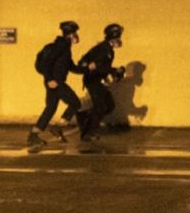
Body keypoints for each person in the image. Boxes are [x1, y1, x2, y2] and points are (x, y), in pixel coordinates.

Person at [28, 20, 85, 151]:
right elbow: (47, 62)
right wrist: (49, 79)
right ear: (69, 34)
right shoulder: (61, 46)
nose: (76, 36)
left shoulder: (65, 47)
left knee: (50, 108)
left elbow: (71, 67)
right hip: (56, 82)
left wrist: (87, 69)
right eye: (74, 33)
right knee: (75, 103)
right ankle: (57, 128)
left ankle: (33, 134)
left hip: (55, 82)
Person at [77, 23, 126, 141]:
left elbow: (101, 67)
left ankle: (83, 115)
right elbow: (97, 66)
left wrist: (112, 73)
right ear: (113, 37)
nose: (119, 39)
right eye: (118, 37)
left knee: (109, 105)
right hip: (92, 79)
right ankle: (87, 133)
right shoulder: (103, 49)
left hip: (96, 79)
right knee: (100, 106)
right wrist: (114, 71)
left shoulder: (108, 49)